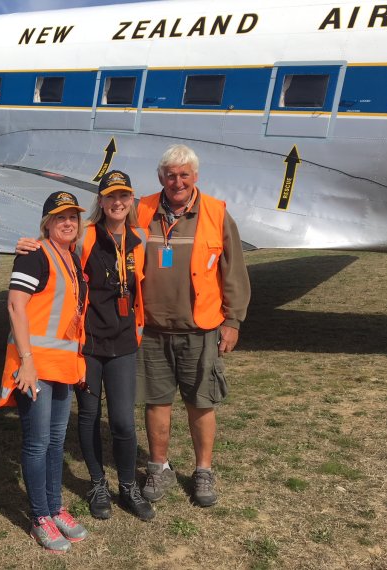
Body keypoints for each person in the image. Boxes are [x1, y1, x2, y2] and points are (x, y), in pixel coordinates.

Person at [15, 171, 155, 522]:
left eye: (124, 195)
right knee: (89, 417)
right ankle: (96, 484)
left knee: (123, 422)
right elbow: (50, 247)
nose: (118, 202)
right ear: (102, 201)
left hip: (123, 343)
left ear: (131, 199)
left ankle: (127, 486)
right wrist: (25, 244)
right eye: (111, 196)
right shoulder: (85, 237)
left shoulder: (142, 237)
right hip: (88, 345)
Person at [136, 144, 251, 508]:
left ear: (195, 177)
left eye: (184, 174)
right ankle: (159, 466)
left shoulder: (216, 213)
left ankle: (203, 471)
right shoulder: (141, 209)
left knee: (201, 403)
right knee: (156, 401)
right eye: (170, 175)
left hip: (200, 328)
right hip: (151, 327)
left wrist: (232, 320)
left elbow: (233, 271)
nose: (177, 181)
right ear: (161, 178)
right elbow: (100, 238)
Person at [0, 191, 89, 553]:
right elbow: (15, 305)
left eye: (73, 217)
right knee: (37, 443)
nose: (68, 222)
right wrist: (27, 361)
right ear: (47, 223)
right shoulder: (35, 253)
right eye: (60, 217)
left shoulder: (71, 256)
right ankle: (39, 517)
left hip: (62, 367)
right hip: (34, 367)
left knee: (55, 442)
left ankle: (55, 508)